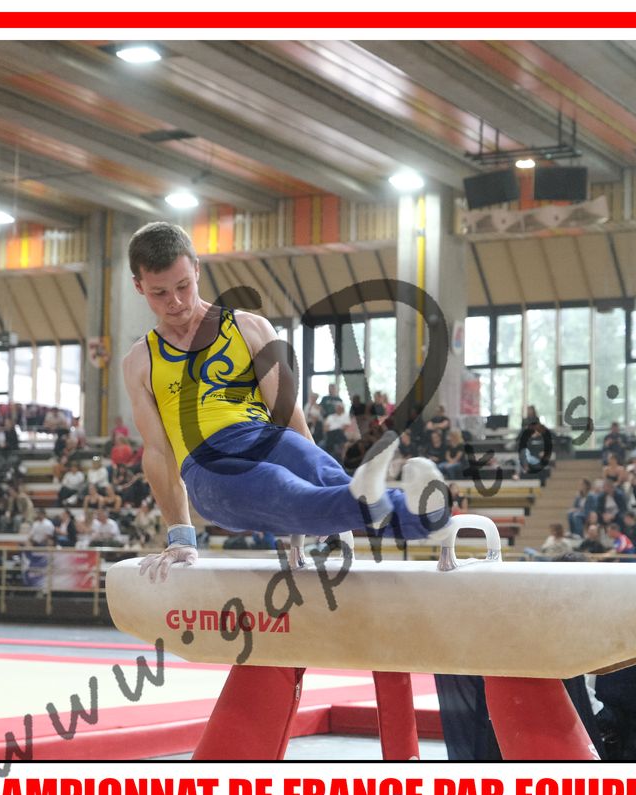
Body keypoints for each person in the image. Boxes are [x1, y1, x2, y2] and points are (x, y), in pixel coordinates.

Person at [121, 221, 451, 584]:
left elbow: (288, 415)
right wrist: (181, 535)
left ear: (197, 269)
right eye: (160, 293)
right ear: (139, 286)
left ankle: (426, 516)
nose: (176, 301)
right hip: (208, 466)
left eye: (183, 285)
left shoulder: (249, 328)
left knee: (319, 472)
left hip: (263, 436)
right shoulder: (141, 361)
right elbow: (158, 453)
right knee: (279, 487)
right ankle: (376, 505)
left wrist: (325, 501)